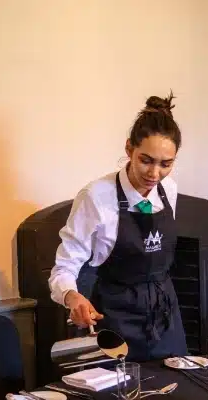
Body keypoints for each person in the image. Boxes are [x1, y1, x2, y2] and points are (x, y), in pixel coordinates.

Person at [49, 92, 188, 361]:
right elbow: (64, 266)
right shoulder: (96, 196)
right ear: (129, 149)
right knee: (119, 399)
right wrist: (71, 296)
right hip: (116, 320)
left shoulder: (168, 189)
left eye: (166, 164)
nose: (154, 174)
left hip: (166, 319)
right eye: (146, 160)